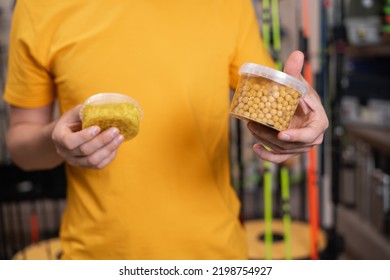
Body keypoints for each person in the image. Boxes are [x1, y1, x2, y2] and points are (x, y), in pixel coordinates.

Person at [3, 0, 328, 259]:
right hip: (96, 258)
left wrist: (295, 119)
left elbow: (270, 104)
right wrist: (55, 141)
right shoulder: (38, 6)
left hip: (215, 257)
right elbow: (21, 144)